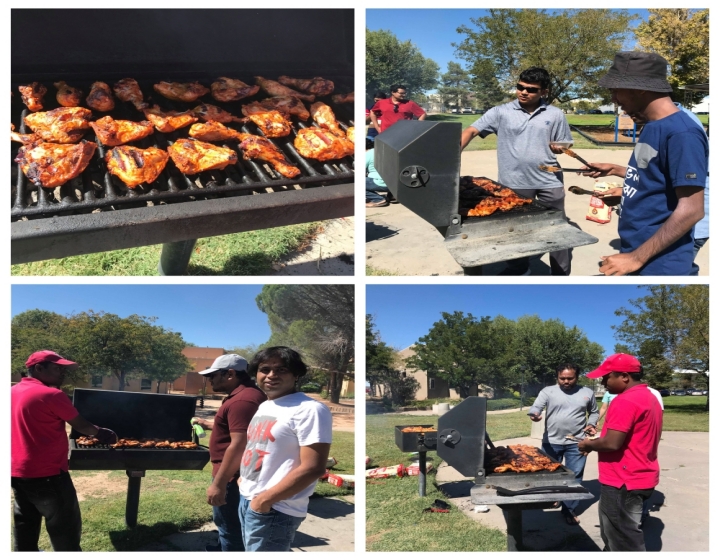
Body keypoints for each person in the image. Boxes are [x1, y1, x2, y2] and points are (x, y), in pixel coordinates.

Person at [581, 52, 707, 276]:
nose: (614, 99)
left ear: (639, 88)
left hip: (660, 261)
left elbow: (691, 209)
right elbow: (653, 176)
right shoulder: (651, 125)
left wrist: (635, 258)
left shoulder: (682, 133)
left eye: (615, 90)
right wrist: (621, 178)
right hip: (637, 246)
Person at [460, 67, 574, 275]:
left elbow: (564, 143)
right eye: (520, 87)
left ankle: (560, 275)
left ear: (544, 92)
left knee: (558, 230)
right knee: (516, 230)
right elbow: (471, 130)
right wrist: (454, 150)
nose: (523, 92)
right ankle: (520, 270)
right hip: (514, 182)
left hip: (549, 180)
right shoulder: (500, 112)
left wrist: (561, 147)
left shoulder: (555, 114)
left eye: (531, 89)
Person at [11, 351, 118, 551]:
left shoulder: (11, 392)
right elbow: (82, 426)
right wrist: (102, 433)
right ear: (38, 368)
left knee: (26, 521)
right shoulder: (51, 394)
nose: (62, 373)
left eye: (63, 369)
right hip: (48, 473)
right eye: (57, 368)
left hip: (16, 472)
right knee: (64, 527)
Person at [238, 347, 332, 552]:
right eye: (265, 369)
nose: (271, 375)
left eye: (281, 369)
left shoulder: (310, 409)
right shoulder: (266, 405)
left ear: (296, 375)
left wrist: (264, 500)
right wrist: (244, 480)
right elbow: (259, 447)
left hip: (276, 508)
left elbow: (314, 468)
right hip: (249, 499)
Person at [578, 354, 663, 551]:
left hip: (622, 479)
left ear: (624, 376)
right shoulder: (650, 397)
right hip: (641, 473)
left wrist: (587, 445)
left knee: (622, 539)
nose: (602, 382)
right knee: (619, 534)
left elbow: (612, 443)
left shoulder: (624, 401)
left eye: (606, 377)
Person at [192, 354, 266, 552]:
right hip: (235, 473)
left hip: (233, 476)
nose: (210, 380)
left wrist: (219, 483)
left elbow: (239, 444)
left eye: (213, 376)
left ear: (230, 374)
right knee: (228, 522)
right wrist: (209, 424)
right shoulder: (247, 395)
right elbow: (238, 428)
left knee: (230, 526)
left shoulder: (242, 401)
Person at [528, 363, 599, 524]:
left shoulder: (587, 392)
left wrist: (591, 424)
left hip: (577, 442)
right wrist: (534, 414)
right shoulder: (548, 391)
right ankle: (553, 498)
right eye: (562, 378)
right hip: (551, 441)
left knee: (574, 476)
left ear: (576, 377)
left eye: (570, 378)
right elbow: (536, 406)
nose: (566, 381)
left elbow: (593, 412)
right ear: (557, 377)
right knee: (549, 474)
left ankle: (569, 510)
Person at [366, 138, 392, 208]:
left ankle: (378, 200)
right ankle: (392, 196)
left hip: (381, 183)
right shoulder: (384, 150)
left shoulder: (368, 153)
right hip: (395, 184)